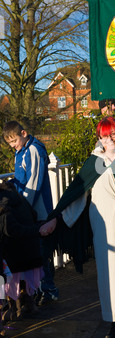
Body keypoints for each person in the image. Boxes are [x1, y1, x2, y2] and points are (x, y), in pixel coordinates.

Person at [39, 116, 115, 338]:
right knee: (109, 277)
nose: (109, 139)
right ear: (99, 137)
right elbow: (76, 194)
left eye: (113, 134)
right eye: (104, 135)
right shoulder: (94, 161)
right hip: (105, 231)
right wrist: (55, 219)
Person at [2, 121, 59, 305]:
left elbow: (34, 181)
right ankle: (39, 288)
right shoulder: (22, 151)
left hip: (37, 210)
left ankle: (48, 288)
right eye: (9, 143)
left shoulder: (34, 150)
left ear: (24, 133)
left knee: (41, 252)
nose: (12, 146)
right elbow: (21, 178)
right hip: (29, 209)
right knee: (35, 252)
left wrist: (23, 206)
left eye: (14, 141)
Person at [0, 181, 43, 322]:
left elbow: (11, 230)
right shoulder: (21, 199)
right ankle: (29, 303)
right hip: (32, 252)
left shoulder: (4, 206)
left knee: (9, 270)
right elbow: (34, 215)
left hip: (16, 256)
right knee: (22, 272)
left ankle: (14, 309)